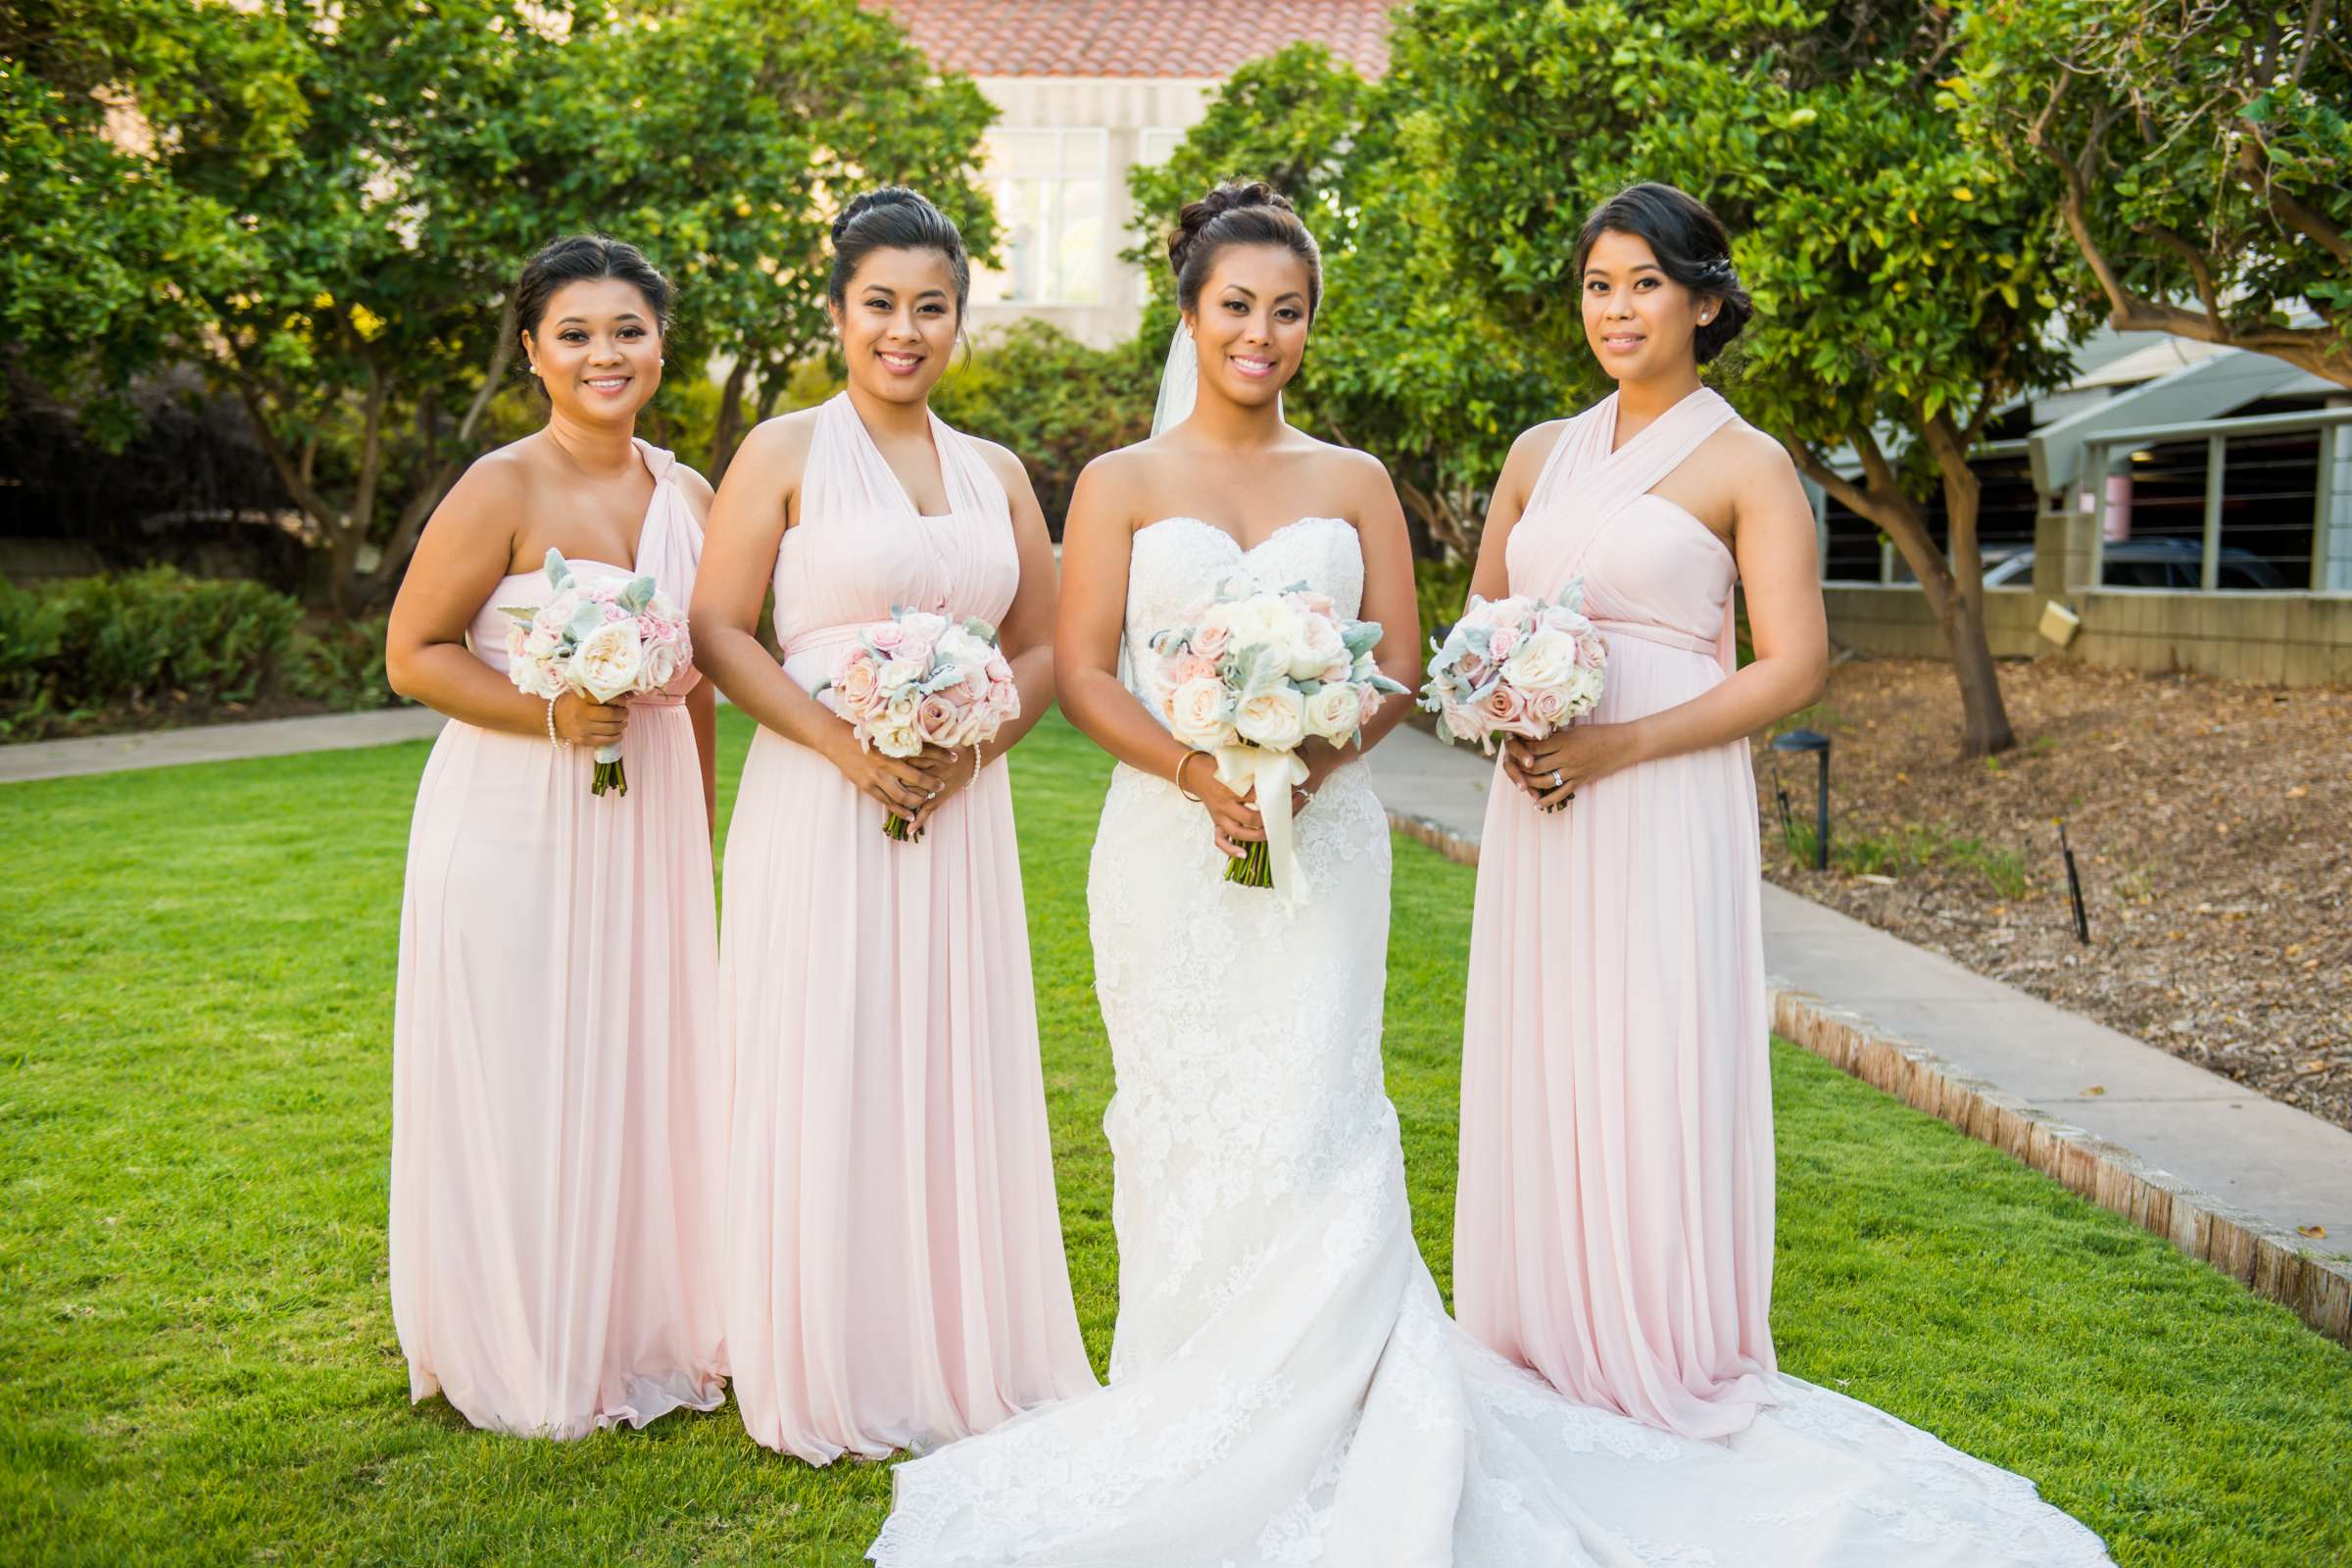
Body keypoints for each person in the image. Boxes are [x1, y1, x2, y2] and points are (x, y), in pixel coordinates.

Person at [864, 181, 2114, 1568]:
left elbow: (1400, 660)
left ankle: (1373, 1386)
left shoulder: (1356, 484)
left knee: (1315, 1114)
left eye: (1289, 311)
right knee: (1175, 1116)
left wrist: (1313, 760)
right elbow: (1088, 668)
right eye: (1237, 307)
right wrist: (1199, 771)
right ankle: (1186, 1386)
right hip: (1166, 846)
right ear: (1190, 312)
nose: (1262, 333)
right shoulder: (1114, 484)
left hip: (1335, 836)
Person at [690, 187, 1091, 1464]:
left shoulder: (997, 474)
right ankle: (817, 1340)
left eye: (930, 307)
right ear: (838, 313)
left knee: (943, 1056)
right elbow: (717, 630)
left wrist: (970, 750)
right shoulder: (784, 453)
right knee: (825, 1046)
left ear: (960, 319)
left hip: (959, 810)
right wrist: (844, 748)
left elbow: (1041, 645)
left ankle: (949, 1339)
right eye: (881, 306)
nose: (904, 331)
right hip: (820, 795)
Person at [383, 234, 724, 1439]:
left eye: (626, 329)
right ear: (533, 351)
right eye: (574, 333)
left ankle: (640, 1323)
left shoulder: (690, 496)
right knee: (527, 1067)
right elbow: (411, 653)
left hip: (652, 830)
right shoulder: (501, 486)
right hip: (513, 818)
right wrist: (549, 710)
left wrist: (704, 836)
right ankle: (522, 1338)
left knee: (644, 1063)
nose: (604, 354)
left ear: (661, 341)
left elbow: (707, 680)